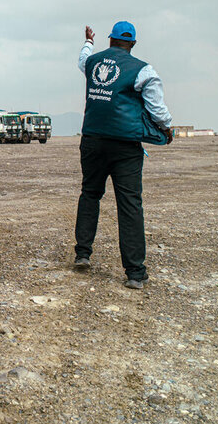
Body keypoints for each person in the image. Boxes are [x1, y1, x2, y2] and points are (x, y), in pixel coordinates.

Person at [73, 21, 173, 289]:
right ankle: (134, 273)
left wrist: (88, 41)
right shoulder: (143, 70)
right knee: (129, 204)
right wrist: (166, 128)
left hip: (92, 139)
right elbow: (157, 109)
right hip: (125, 145)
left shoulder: (93, 63)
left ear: (111, 40)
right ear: (133, 44)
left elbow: (82, 59)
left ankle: (83, 253)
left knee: (90, 194)